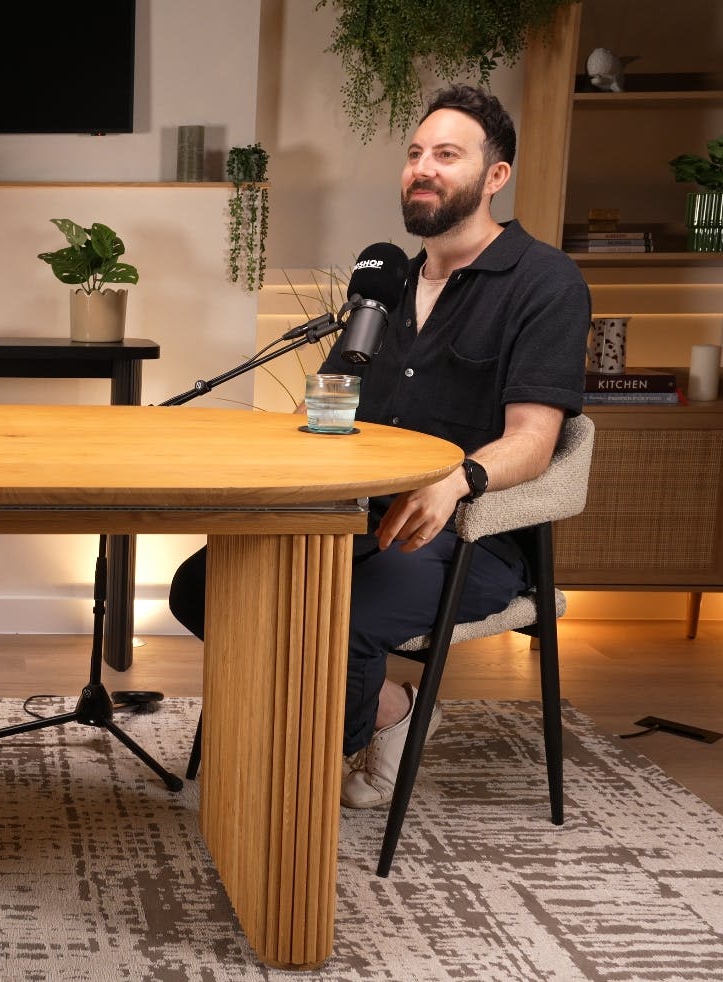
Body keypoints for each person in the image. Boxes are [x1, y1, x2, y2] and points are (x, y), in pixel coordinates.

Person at [168, 85, 588, 809]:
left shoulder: (542, 282)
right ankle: (390, 710)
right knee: (202, 587)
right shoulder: (386, 283)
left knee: (340, 614)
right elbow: (325, 404)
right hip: (356, 515)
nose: (422, 168)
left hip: (468, 534)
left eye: (447, 156)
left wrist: (456, 481)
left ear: (495, 176)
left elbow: (534, 440)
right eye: (416, 154)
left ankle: (290, 782)